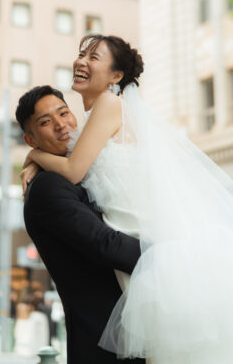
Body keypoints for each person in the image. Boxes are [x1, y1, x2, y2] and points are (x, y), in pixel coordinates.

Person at [21, 35, 233, 364]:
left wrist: (34, 155)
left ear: (116, 76)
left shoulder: (109, 105)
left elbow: (74, 170)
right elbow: (71, 161)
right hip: (132, 236)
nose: (81, 61)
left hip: (140, 237)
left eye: (94, 57)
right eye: (82, 54)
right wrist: (38, 157)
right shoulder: (94, 121)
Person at [16, 85, 145, 364]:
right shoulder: (48, 187)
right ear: (30, 139)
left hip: (130, 332)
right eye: (45, 122)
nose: (61, 124)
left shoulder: (78, 171)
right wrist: (169, 255)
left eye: (64, 113)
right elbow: (105, 244)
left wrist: (37, 158)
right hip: (104, 341)